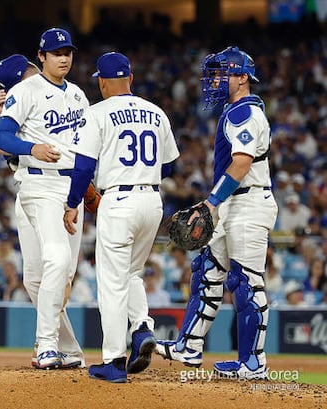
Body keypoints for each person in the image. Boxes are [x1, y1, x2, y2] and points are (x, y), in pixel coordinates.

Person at [155, 46, 278, 380]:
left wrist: (210, 203)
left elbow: (241, 164)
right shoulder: (235, 110)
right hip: (234, 204)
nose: (214, 81)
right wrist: (217, 204)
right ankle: (189, 346)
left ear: (242, 77)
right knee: (207, 272)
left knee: (246, 283)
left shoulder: (245, 113)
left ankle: (253, 363)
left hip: (249, 204)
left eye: (222, 74)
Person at [63, 52, 180, 382]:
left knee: (112, 283)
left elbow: (83, 167)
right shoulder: (156, 112)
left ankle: (113, 361)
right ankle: (142, 327)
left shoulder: (96, 112)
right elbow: (170, 166)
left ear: (101, 81)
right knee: (131, 272)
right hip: (152, 201)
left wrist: (72, 203)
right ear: (130, 78)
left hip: (118, 199)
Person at [0, 28, 89, 369]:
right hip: (39, 184)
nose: (64, 58)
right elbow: (3, 137)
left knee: (48, 276)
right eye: (57, 53)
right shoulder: (25, 91)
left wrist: (87, 190)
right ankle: (47, 345)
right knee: (56, 261)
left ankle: (69, 350)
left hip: (72, 189)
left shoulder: (78, 95)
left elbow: (86, 150)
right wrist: (31, 148)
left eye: (68, 52)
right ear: (42, 56)